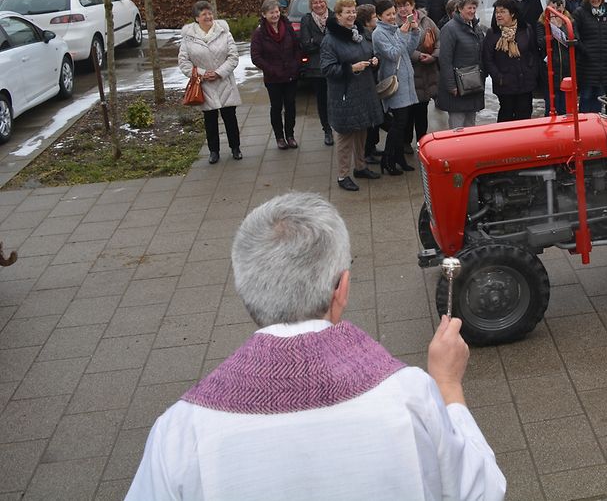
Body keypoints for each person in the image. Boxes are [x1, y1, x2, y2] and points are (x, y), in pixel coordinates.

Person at [126, 191, 505, 500]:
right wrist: (448, 385)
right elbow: (481, 490)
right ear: (342, 288)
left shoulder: (180, 431)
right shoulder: (410, 397)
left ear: (245, 290)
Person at [319, 0, 384, 191]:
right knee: (345, 137)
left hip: (363, 91)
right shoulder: (330, 40)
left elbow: (367, 53)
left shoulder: (358, 33)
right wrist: (351, 68)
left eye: (353, 11)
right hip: (344, 94)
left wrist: (373, 60)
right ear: (338, 15)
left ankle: (360, 167)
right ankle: (343, 176)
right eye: (347, 12)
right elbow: (327, 69)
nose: (352, 15)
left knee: (362, 130)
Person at [178, 1, 242, 164]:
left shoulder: (224, 32)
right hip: (204, 85)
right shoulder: (188, 38)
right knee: (210, 120)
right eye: (204, 14)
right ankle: (214, 151)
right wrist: (202, 73)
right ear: (196, 18)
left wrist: (219, 72)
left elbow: (233, 56)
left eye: (210, 13)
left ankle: (236, 148)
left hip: (224, 82)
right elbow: (183, 62)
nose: (208, 17)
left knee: (230, 118)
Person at [372, 0, 422, 175]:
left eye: (393, 13)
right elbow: (393, 54)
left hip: (406, 82)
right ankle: (388, 160)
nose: (393, 17)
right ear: (379, 16)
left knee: (402, 124)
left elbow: (407, 51)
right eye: (388, 14)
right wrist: (402, 34)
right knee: (398, 125)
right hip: (394, 84)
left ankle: (399, 158)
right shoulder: (379, 33)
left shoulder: (394, 29)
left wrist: (415, 32)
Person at [249, 0, 302, 150]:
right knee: (276, 107)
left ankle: (290, 135)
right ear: (264, 14)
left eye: (277, 12)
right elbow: (256, 57)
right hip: (273, 78)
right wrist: (271, 70)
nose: (275, 15)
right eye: (271, 13)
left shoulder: (288, 27)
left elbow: (297, 47)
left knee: (290, 106)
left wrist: (296, 64)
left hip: (290, 75)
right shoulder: (259, 34)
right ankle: (279, 137)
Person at [481, 0, 541, 122]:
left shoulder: (526, 29)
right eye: (497, 12)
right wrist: (498, 77)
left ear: (512, 13)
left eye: (502, 12)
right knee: (506, 115)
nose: (498, 15)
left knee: (524, 115)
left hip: (525, 82)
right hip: (505, 84)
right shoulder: (493, 33)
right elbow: (487, 59)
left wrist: (532, 72)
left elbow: (534, 53)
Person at [437, 0, 487, 128]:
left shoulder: (475, 27)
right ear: (459, 8)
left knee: (470, 125)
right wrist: (451, 85)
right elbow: (445, 59)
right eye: (469, 8)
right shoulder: (449, 29)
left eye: (474, 8)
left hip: (473, 84)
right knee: (457, 126)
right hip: (458, 87)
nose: (472, 11)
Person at [573, 0, 607, 113]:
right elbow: (575, 35)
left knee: (599, 98)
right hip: (587, 65)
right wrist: (584, 50)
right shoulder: (580, 13)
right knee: (586, 96)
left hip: (604, 65)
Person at [403, 0, 440, 150]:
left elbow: (439, 39)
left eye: (406, 4)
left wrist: (434, 55)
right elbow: (400, 47)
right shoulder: (396, 23)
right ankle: (405, 142)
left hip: (425, 74)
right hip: (408, 74)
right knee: (407, 113)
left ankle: (422, 142)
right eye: (399, 6)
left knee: (421, 112)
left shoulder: (426, 20)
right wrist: (418, 55)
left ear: (413, 5)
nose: (403, 9)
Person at [298, 0, 334, 146]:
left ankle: (340, 126)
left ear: (325, 2)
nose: (318, 5)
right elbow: (306, 44)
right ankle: (327, 130)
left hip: (335, 64)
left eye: (321, 1)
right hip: (316, 68)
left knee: (337, 98)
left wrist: (316, 40)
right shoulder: (306, 19)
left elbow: (338, 40)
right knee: (322, 100)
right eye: (315, 3)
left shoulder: (334, 17)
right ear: (311, 5)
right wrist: (326, 41)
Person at [357, 3, 383, 165]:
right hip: (367, 83)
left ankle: (372, 147)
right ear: (367, 21)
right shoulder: (364, 37)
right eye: (374, 17)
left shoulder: (371, 34)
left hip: (373, 80)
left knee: (375, 118)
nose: (377, 19)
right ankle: (366, 152)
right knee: (370, 119)